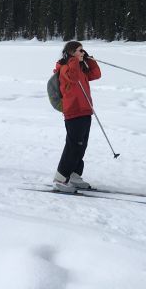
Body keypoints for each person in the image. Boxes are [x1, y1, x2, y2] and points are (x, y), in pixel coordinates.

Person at [53, 40, 102, 192]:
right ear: (71, 53)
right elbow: (72, 78)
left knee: (81, 146)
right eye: (80, 51)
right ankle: (60, 178)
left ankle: (74, 175)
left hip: (85, 110)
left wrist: (91, 61)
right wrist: (74, 60)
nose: (83, 53)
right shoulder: (66, 68)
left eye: (83, 50)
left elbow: (96, 75)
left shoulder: (80, 68)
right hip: (73, 112)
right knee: (73, 146)